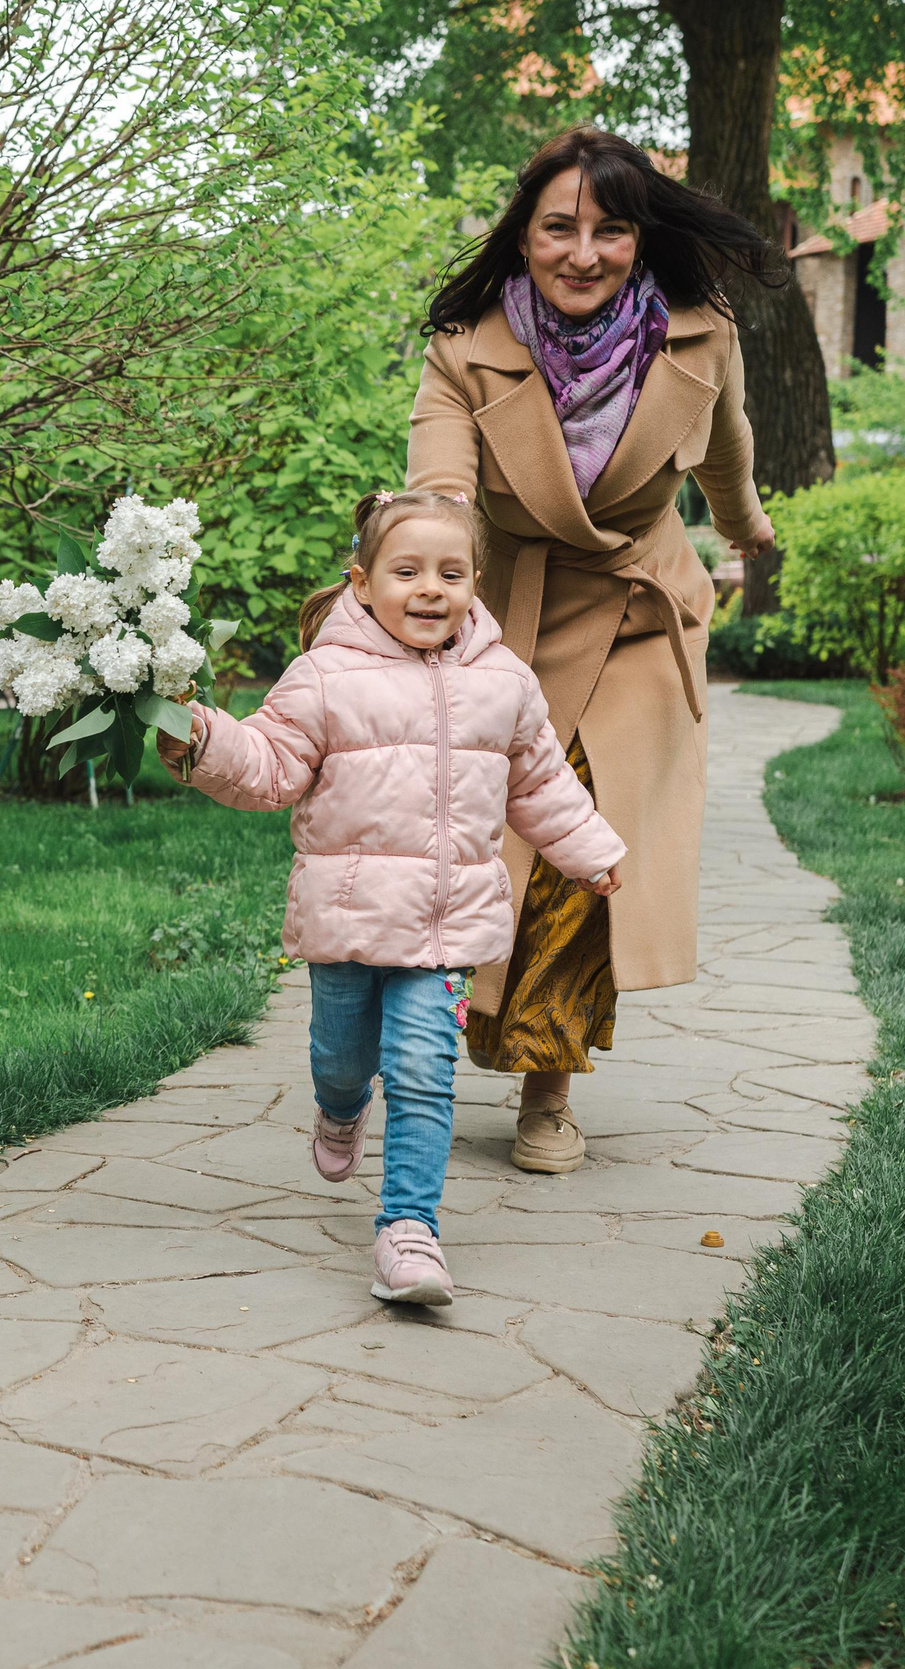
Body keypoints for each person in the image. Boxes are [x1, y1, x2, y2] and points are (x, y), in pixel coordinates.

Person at [406, 125, 787, 1175]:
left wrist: (746, 529)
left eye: (609, 230)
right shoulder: (465, 344)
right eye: (559, 227)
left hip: (635, 614)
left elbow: (726, 450)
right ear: (522, 237)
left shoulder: (698, 334)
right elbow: (440, 483)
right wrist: (425, 570)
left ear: (638, 237)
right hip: (511, 616)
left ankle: (546, 1088)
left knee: (586, 853)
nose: (583, 252)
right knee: (491, 852)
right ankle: (429, 1052)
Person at [159, 490, 625, 1304]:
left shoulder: (504, 681)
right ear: (363, 580)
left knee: (421, 1069)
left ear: (477, 581)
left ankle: (409, 1229)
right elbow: (269, 765)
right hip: (347, 921)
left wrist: (588, 851)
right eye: (406, 570)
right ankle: (339, 1110)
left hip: (444, 930)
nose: (430, 588)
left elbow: (541, 780)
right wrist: (202, 737)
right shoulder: (324, 677)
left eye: (451, 572)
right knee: (342, 1059)